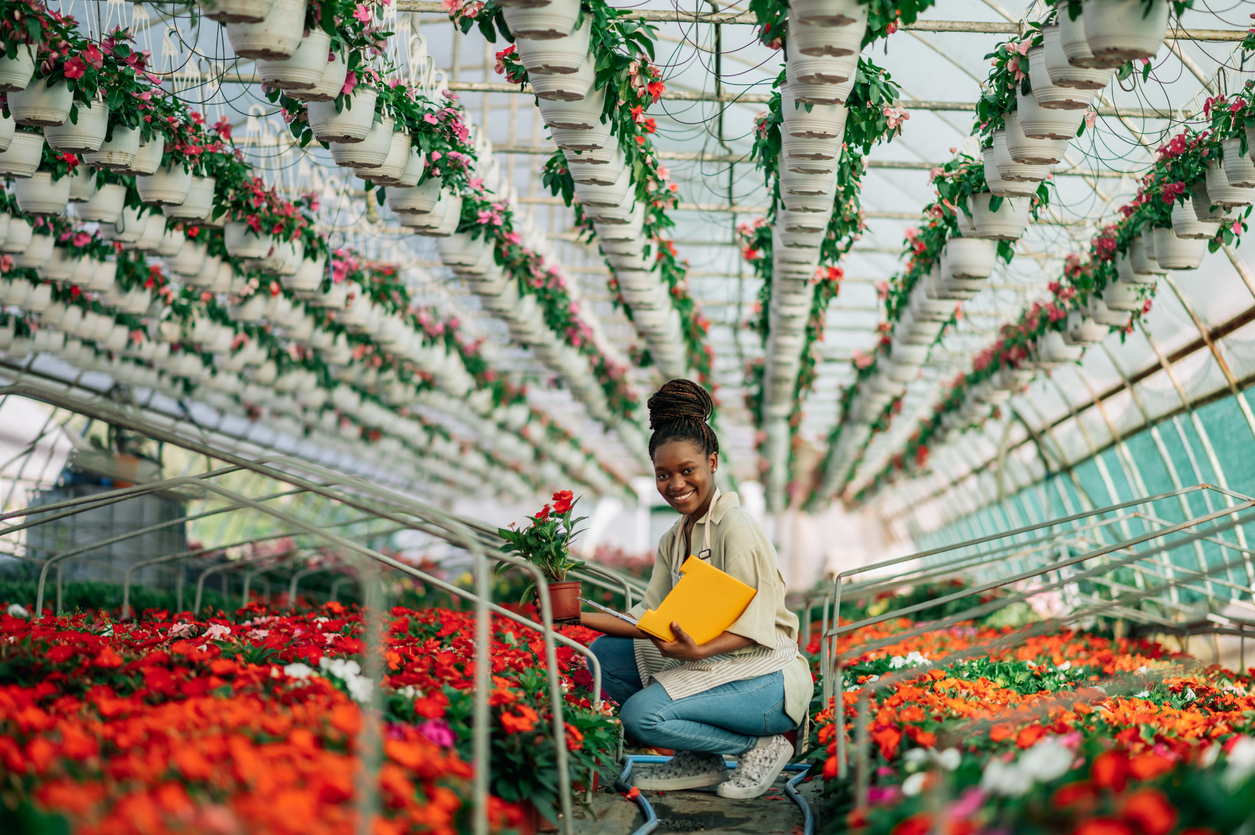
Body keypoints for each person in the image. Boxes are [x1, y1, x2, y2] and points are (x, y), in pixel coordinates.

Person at [579, 379, 813, 799]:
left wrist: (697, 651)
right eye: (663, 475)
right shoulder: (676, 536)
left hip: (765, 677)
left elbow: (755, 625)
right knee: (603, 659)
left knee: (641, 717)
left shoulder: (734, 529)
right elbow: (650, 617)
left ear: (713, 462)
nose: (675, 484)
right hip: (715, 663)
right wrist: (573, 615)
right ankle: (700, 759)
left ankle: (761, 745)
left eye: (688, 470)